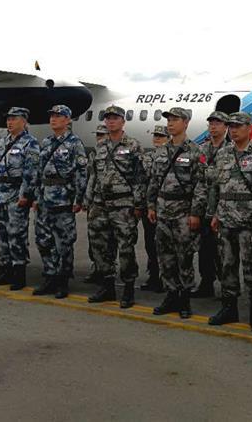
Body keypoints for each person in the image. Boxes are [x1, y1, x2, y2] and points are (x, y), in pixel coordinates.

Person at [206, 112, 252, 333]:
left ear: (249, 128)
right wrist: (215, 213)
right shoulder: (224, 154)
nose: (233, 130)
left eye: (238, 126)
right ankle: (229, 309)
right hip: (226, 220)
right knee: (227, 267)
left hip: (249, 221)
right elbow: (217, 187)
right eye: (231, 126)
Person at [85, 105, 146, 308]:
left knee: (126, 248)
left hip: (123, 205)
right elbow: (94, 176)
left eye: (115, 118)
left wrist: (138, 204)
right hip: (101, 204)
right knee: (101, 247)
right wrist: (90, 200)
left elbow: (139, 177)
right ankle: (107, 286)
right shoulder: (100, 148)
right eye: (108, 118)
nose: (111, 121)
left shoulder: (133, 146)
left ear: (122, 121)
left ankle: (128, 289)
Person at [146, 108, 206, 318]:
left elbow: (200, 185)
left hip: (183, 213)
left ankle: (184, 299)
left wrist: (195, 213)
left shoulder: (195, 151)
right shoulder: (161, 151)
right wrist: (151, 206)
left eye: (175, 120)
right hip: (163, 212)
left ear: (186, 122)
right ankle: (171, 294)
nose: (170, 124)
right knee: (165, 257)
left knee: (185, 257)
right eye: (169, 120)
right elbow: (154, 180)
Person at [33, 105, 88, 299]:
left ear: (68, 120)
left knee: (64, 242)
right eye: (52, 116)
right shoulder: (46, 142)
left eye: (58, 116)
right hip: (45, 199)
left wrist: (79, 198)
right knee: (43, 240)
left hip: (64, 199)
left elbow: (82, 173)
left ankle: (63, 279)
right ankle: (50, 275)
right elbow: (39, 172)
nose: (54, 119)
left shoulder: (75, 143)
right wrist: (37, 197)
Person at [0, 107, 40, 290]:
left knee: (16, 234)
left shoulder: (30, 143)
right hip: (0, 193)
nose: (9, 122)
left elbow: (31, 172)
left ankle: (18, 272)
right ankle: (5, 268)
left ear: (24, 121)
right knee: (0, 234)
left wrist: (25, 195)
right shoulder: (3, 141)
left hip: (16, 195)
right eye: (8, 119)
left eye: (14, 119)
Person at [194, 111, 230, 298]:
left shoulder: (231, 150)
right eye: (211, 123)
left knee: (224, 251)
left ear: (226, 127)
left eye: (218, 123)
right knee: (205, 248)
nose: (213, 126)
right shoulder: (202, 150)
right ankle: (206, 282)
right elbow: (197, 179)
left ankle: (226, 286)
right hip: (204, 207)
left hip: (224, 209)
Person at [138, 125, 169, 293]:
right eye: (155, 136)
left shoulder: (172, 156)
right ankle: (154, 276)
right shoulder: (147, 157)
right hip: (149, 207)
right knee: (151, 244)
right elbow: (142, 180)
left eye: (161, 136)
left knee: (166, 245)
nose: (157, 138)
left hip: (166, 208)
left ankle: (167, 278)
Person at [83, 123, 113, 284]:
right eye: (98, 135)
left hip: (111, 204)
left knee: (110, 240)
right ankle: (97, 267)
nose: (99, 139)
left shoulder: (114, 154)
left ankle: (109, 270)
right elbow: (90, 178)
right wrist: (86, 200)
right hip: (95, 202)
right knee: (94, 238)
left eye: (103, 135)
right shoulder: (94, 155)